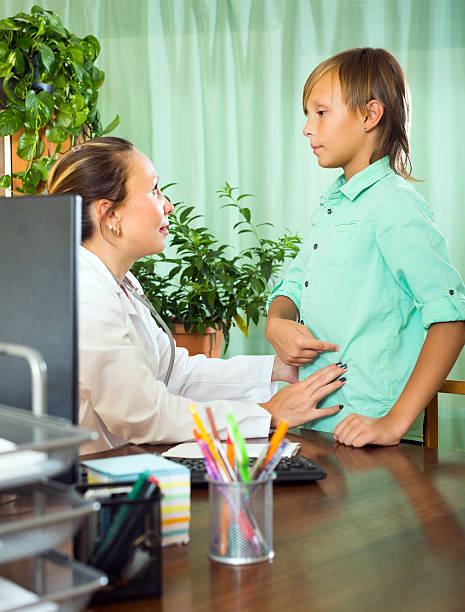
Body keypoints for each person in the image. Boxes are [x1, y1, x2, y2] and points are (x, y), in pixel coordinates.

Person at [48, 137, 346, 454]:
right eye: (153, 190)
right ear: (110, 215)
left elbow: (176, 373)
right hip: (86, 485)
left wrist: (278, 369)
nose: (168, 206)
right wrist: (267, 414)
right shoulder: (84, 295)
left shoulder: (118, 283)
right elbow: (144, 415)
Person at [266, 48, 465, 448]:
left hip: (366, 439)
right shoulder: (331, 205)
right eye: (307, 115)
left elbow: (450, 319)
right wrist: (277, 324)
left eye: (320, 113)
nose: (307, 128)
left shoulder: (394, 204)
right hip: (314, 427)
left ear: (370, 116)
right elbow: (291, 285)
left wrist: (393, 423)